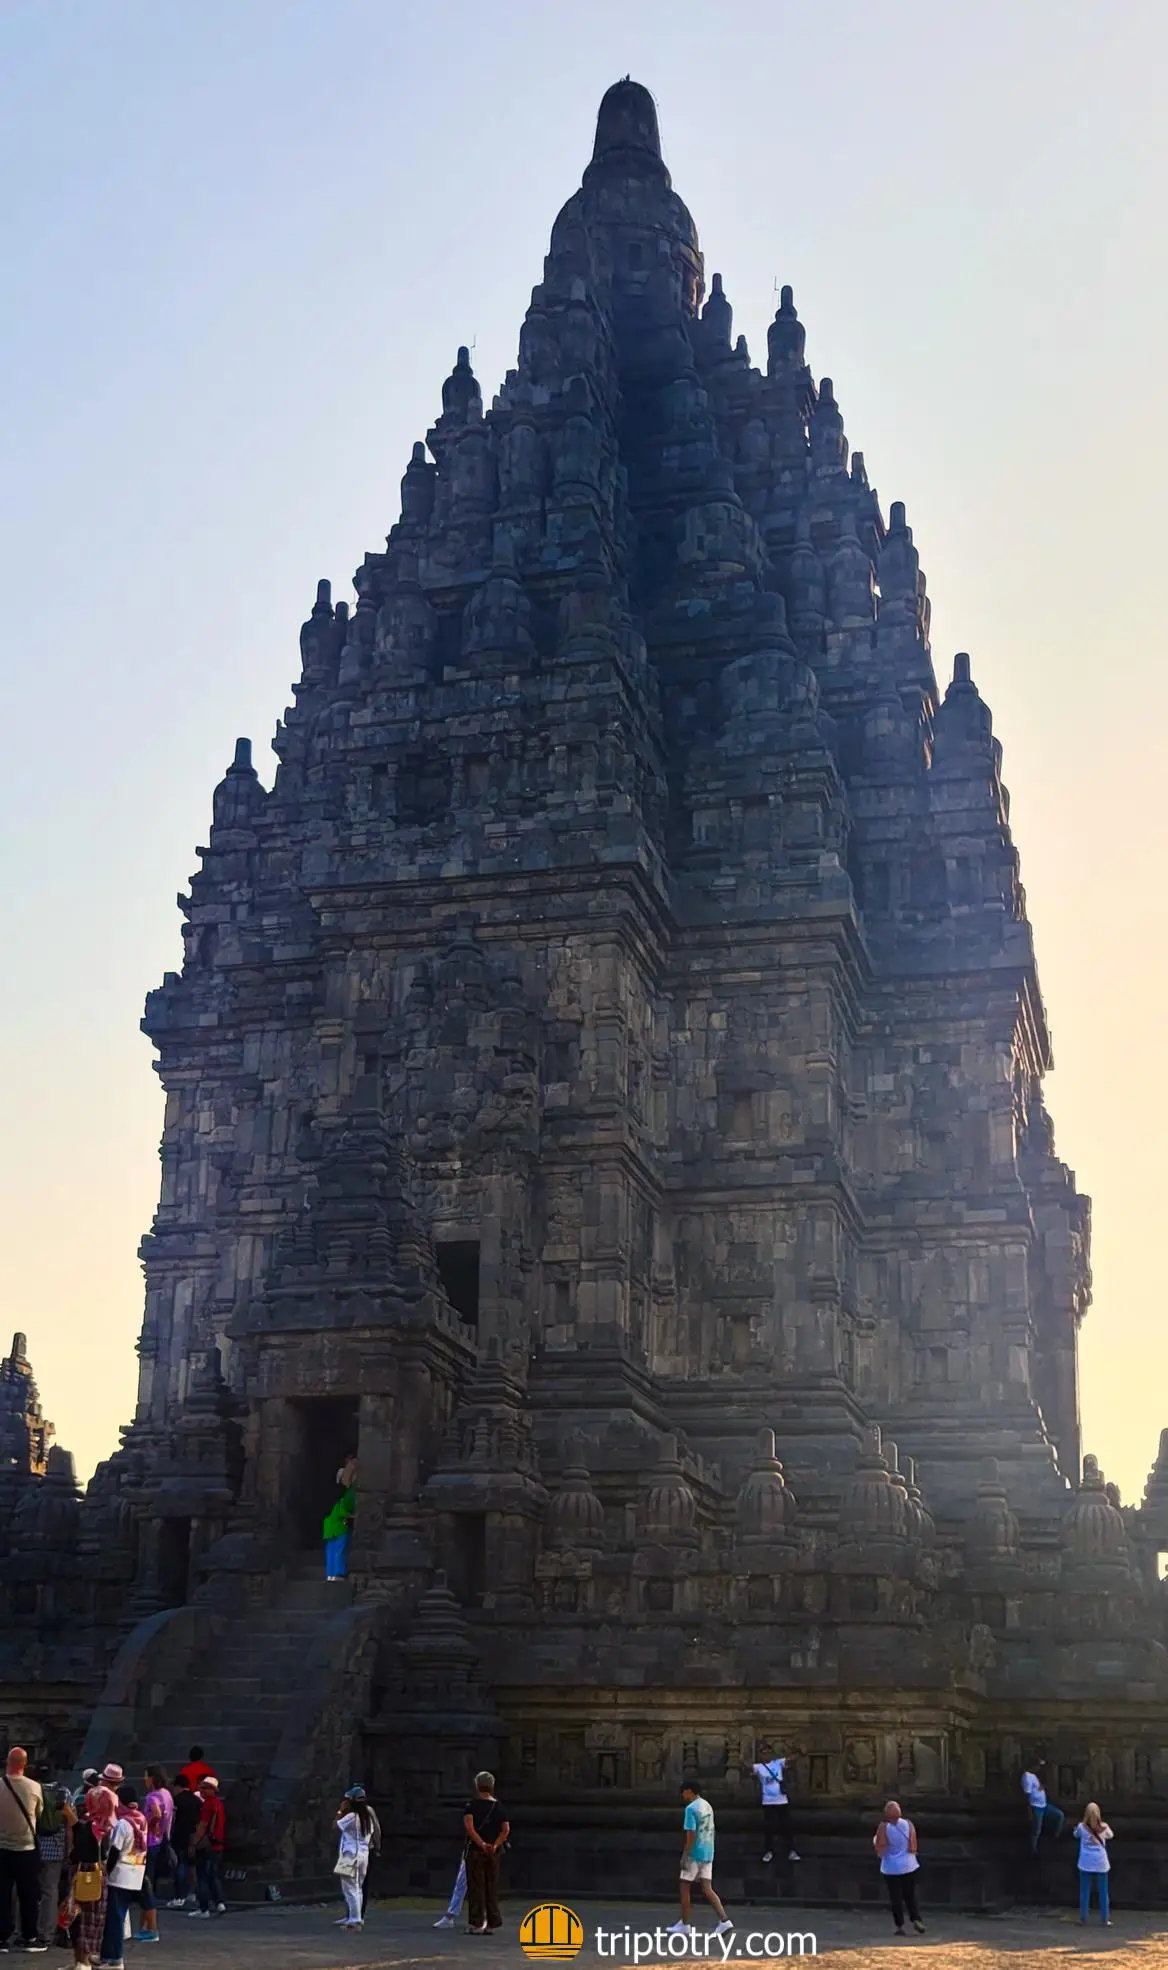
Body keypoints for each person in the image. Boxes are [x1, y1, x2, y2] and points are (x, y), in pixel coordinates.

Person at [668, 1777, 732, 1939]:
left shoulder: (691, 1809)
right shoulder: (707, 1806)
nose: (683, 1796)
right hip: (708, 1850)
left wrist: (685, 1854)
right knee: (707, 1888)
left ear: (689, 1791)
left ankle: (685, 1923)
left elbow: (691, 1834)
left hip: (695, 1852)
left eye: (683, 1792)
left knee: (684, 1886)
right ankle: (724, 1919)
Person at [0, 1743, 46, 1953]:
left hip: (1, 1848)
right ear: (25, 1765)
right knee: (28, 1894)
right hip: (26, 1847)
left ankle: (1, 1937)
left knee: (2, 1894)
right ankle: (29, 1936)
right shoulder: (35, 1787)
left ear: (7, 1763)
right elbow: (39, 1812)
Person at [99, 1784, 149, 1970]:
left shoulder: (123, 1823)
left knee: (115, 1919)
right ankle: (106, 1955)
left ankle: (115, 1959)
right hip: (136, 1872)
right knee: (116, 1916)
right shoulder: (141, 1819)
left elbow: (114, 1851)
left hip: (120, 1874)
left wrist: (106, 1871)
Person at [462, 1771, 509, 1935]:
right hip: (493, 1852)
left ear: (477, 1786)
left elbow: (469, 1827)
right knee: (491, 1886)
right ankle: (492, 1923)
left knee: (476, 1886)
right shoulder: (499, 1806)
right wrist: (494, 1845)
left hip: (476, 1850)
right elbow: (505, 1830)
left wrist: (481, 1843)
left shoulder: (472, 1805)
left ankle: (477, 1923)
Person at [66, 1795, 109, 1970]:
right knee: (92, 1920)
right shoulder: (105, 1822)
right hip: (99, 1874)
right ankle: (82, 1960)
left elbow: (80, 1850)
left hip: (86, 1875)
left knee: (83, 1918)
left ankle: (82, 1962)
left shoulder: (90, 1825)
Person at [34, 1767, 75, 1949]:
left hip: (31, 1847)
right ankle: (46, 1932)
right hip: (56, 1849)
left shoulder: (32, 1790)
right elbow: (70, 1824)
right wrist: (69, 1850)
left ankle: (21, 1929)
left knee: (23, 1890)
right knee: (50, 1891)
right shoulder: (63, 1792)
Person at [874, 1800, 925, 1936]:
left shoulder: (884, 1828)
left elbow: (878, 1844)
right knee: (910, 1894)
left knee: (895, 1897)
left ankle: (899, 1925)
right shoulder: (908, 1824)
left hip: (890, 1868)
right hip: (909, 1865)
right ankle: (916, 1919)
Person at [137, 1767, 173, 1940]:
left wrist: (148, 1824)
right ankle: (145, 1925)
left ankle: (150, 1927)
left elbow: (157, 1814)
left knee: (146, 1885)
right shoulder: (166, 1793)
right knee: (149, 1884)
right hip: (161, 1841)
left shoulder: (152, 1796)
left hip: (151, 1842)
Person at [751, 1742, 800, 1863]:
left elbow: (790, 1760)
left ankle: (791, 1850)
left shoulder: (778, 1763)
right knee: (769, 1828)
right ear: (760, 1755)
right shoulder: (758, 1767)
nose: (766, 1756)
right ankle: (769, 1851)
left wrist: (798, 1752)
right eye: (764, 1753)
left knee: (787, 1826)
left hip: (782, 1800)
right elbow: (747, 1768)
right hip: (768, 1801)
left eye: (768, 1753)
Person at [334, 1786, 375, 1931]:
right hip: (363, 1854)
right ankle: (354, 1917)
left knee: (350, 1888)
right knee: (358, 1888)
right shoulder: (368, 1816)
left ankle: (355, 1920)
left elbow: (336, 1825)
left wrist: (341, 1810)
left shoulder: (352, 1817)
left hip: (351, 1855)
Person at [188, 1776, 226, 1917]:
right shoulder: (219, 1804)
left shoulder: (208, 1805)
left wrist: (194, 1843)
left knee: (202, 1876)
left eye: (204, 1788)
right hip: (217, 1844)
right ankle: (219, 1902)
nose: (201, 1791)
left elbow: (203, 1826)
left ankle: (204, 1908)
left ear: (212, 1790)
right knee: (213, 1876)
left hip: (206, 1845)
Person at [1074, 1802, 1113, 1925]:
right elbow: (1111, 1835)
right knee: (1103, 1891)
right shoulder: (1104, 1827)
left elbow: (1075, 1835)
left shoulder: (1081, 1827)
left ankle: (1084, 1918)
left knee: (1085, 1891)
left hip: (1086, 1862)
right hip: (1101, 1863)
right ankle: (1105, 1918)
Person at [166, 1773, 202, 1908]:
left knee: (180, 1865)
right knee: (192, 1865)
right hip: (194, 1836)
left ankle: (179, 1896)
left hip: (180, 1835)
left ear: (177, 1786)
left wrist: (168, 1833)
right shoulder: (197, 1800)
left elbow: (173, 1819)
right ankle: (192, 1893)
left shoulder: (177, 1800)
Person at [1021, 1759, 1065, 1851]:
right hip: (1036, 1807)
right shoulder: (1027, 1777)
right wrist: (1030, 1811)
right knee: (1036, 1830)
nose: (1039, 1768)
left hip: (1044, 1805)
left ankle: (1054, 1839)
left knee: (1059, 1815)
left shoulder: (1033, 1776)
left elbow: (1036, 1788)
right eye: (1038, 1766)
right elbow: (1027, 1795)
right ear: (1033, 1766)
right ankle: (1033, 1851)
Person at [323, 1478, 356, 1580]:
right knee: (340, 1551)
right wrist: (353, 1515)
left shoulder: (327, 1503)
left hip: (328, 1531)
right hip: (339, 1529)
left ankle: (330, 1574)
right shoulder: (340, 1501)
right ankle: (339, 1573)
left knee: (330, 1552)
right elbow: (343, 1512)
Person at [433, 1854, 467, 1928]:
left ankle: (486, 1919)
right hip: (473, 1854)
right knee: (460, 1885)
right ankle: (449, 1916)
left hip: (481, 1854)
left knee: (483, 1886)